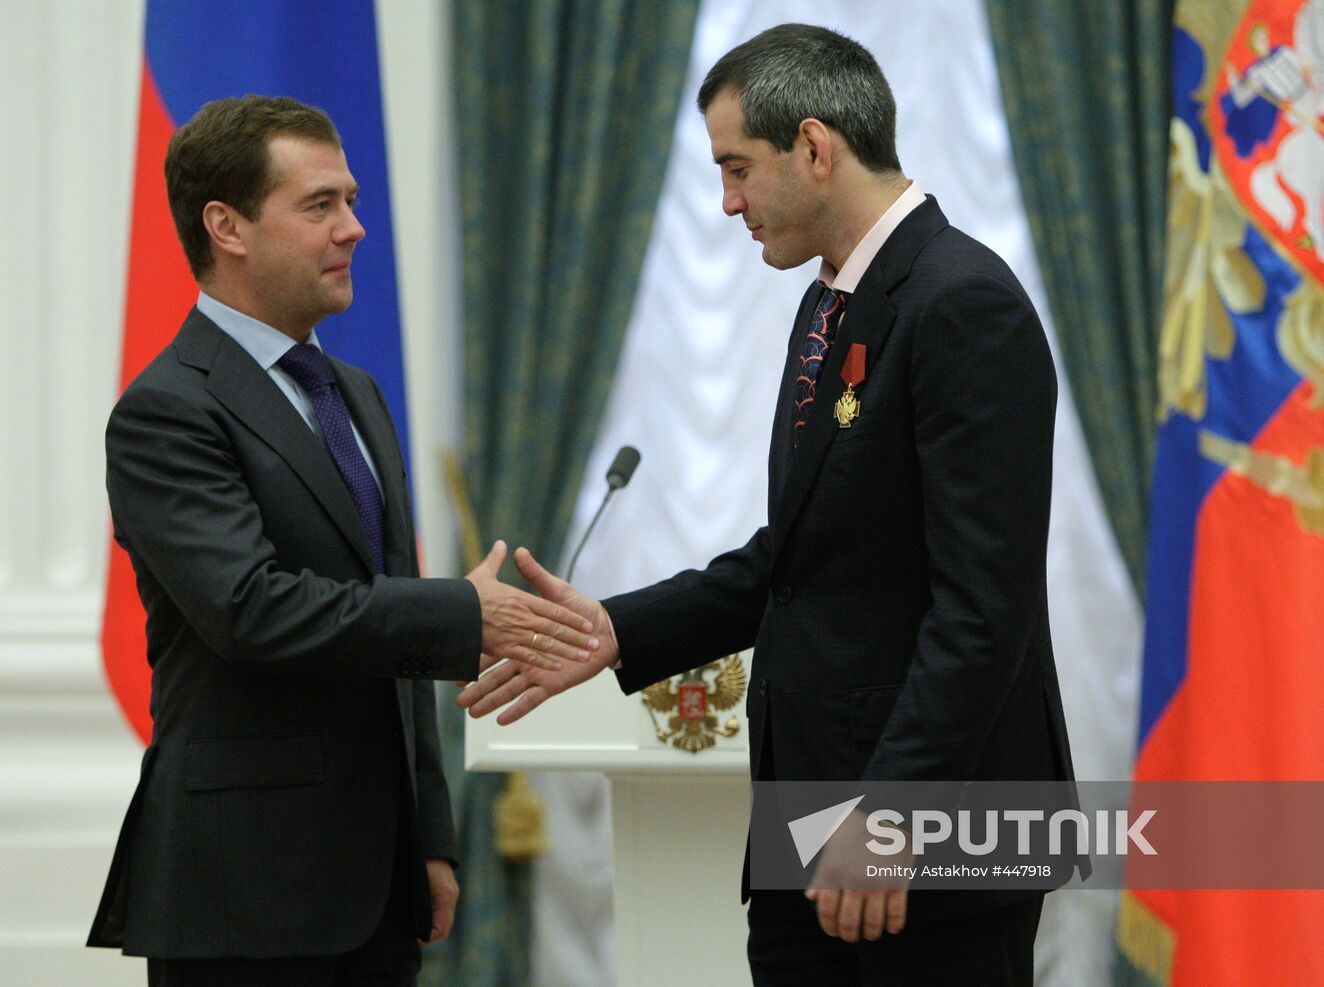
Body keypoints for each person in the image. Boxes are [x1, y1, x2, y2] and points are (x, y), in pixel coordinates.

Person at [459, 24, 1077, 987]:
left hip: (926, 841)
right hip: (814, 825)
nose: (728, 201)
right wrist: (616, 629)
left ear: (817, 148)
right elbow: (799, 556)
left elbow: (982, 608)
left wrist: (891, 812)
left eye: (738, 167)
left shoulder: (961, 302)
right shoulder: (831, 299)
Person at [87, 94, 597, 986]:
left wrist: (429, 836)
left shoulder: (353, 392)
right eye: (319, 205)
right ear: (227, 226)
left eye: (351, 201)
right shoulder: (167, 410)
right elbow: (251, 610)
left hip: (377, 883)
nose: (355, 229)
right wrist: (461, 614)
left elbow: (386, 635)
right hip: (244, 894)